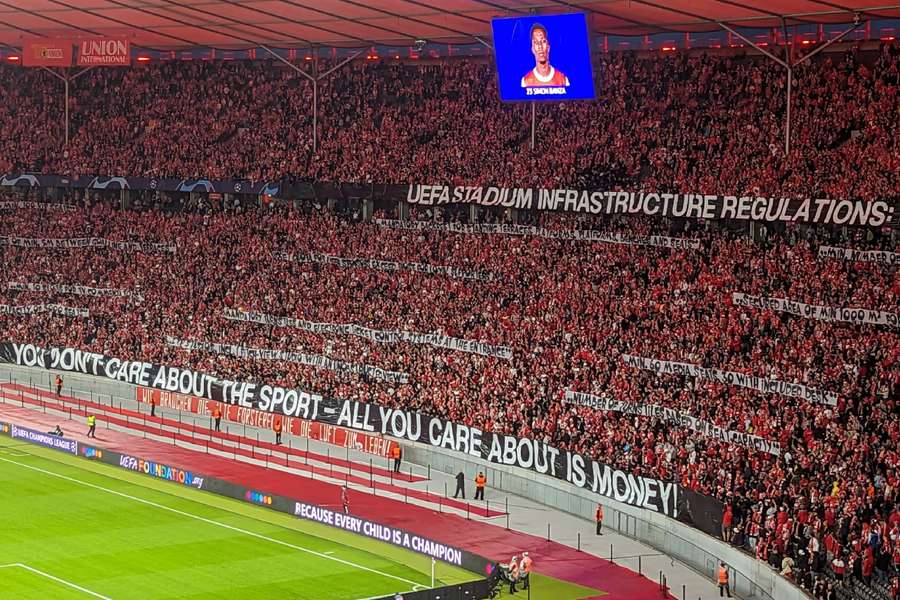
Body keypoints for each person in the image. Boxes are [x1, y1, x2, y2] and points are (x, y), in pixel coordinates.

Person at [520, 23, 569, 88]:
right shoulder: (526, 82)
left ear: (548, 47)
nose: (540, 46)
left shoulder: (563, 80)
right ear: (532, 49)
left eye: (543, 41)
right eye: (536, 42)